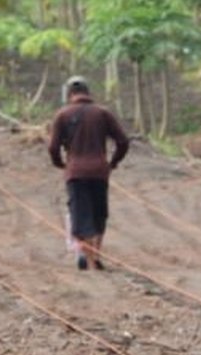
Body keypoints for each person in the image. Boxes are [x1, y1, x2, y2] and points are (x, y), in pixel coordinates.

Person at [48, 76, 130, 271]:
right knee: (98, 213)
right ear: (88, 92)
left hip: (75, 172)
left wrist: (60, 163)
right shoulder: (102, 113)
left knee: (80, 214)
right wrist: (113, 162)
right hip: (99, 171)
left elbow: (53, 147)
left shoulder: (63, 115)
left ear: (70, 94)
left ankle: (87, 256)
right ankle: (95, 254)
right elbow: (123, 141)